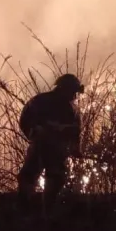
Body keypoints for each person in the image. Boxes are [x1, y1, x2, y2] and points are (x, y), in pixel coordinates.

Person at [17, 73, 85, 206]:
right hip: (40, 146)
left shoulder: (72, 110)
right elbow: (26, 120)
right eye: (72, 92)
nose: (74, 96)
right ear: (64, 89)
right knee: (29, 176)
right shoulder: (41, 102)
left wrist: (75, 148)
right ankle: (25, 206)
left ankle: (47, 207)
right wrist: (35, 132)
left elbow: (75, 131)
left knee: (56, 178)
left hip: (56, 149)